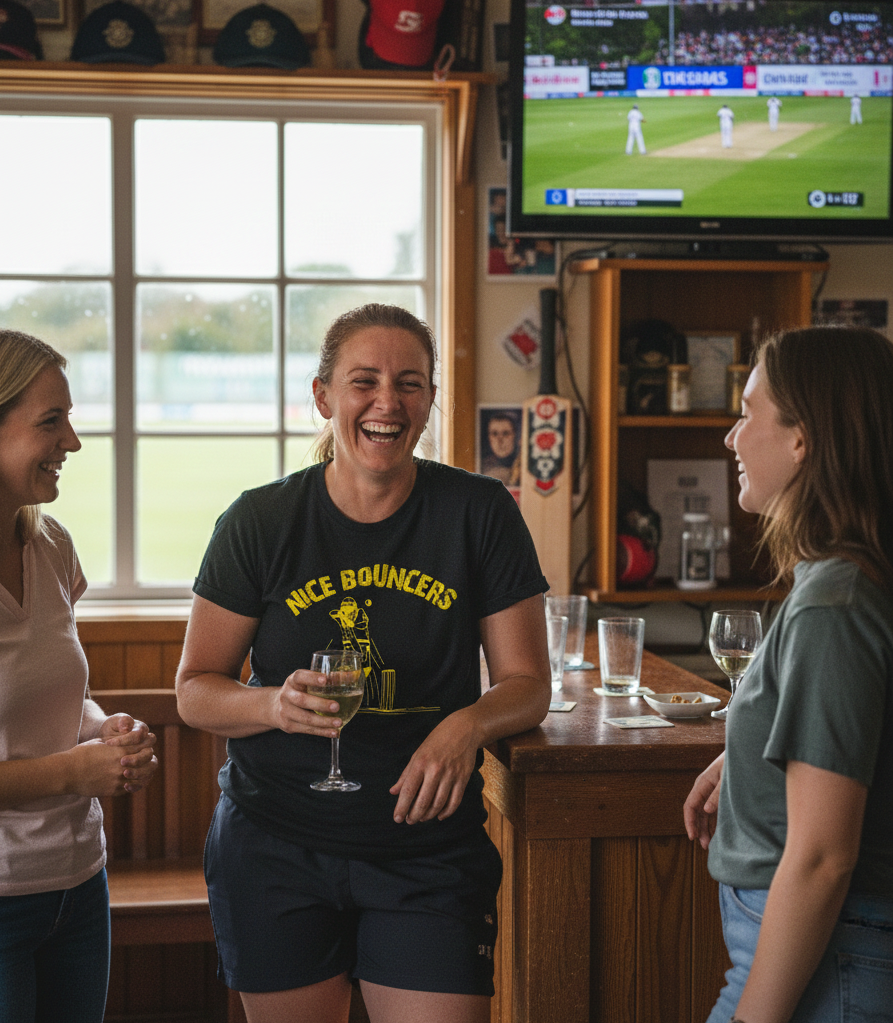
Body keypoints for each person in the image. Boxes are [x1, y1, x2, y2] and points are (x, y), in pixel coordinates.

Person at [175, 303, 551, 1023]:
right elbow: (195, 691)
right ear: (324, 397)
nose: (388, 402)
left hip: (426, 852)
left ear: (430, 400)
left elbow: (527, 684)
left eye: (410, 383)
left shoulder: (479, 512)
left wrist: (463, 726)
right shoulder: (258, 521)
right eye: (364, 381)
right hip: (274, 844)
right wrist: (271, 704)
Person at [684, 326, 893, 1023]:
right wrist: (748, 758)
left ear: (802, 439)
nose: (731, 438)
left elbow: (823, 857)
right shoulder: (846, 580)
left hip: (827, 955)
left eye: (748, 413)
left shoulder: (833, 603)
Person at [0, 329, 159, 1023]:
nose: (73, 441)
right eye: (50, 421)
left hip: (77, 885)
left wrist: (103, 728)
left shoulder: (52, 543)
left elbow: (56, 694)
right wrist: (74, 771)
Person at [480, 412, 520, 487]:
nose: (499, 440)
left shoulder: (524, 467)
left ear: (515, 436)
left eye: (505, 433)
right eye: (494, 434)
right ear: (489, 437)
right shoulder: (482, 468)